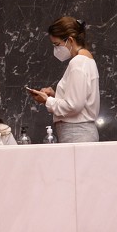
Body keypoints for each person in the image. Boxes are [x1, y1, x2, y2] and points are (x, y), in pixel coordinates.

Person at [26, 15, 100, 143]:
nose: (56, 49)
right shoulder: (87, 60)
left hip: (77, 134)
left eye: (57, 44)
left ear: (70, 40)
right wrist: (55, 95)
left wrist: (47, 100)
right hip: (80, 132)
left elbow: (74, 106)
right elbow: (79, 100)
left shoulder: (78, 63)